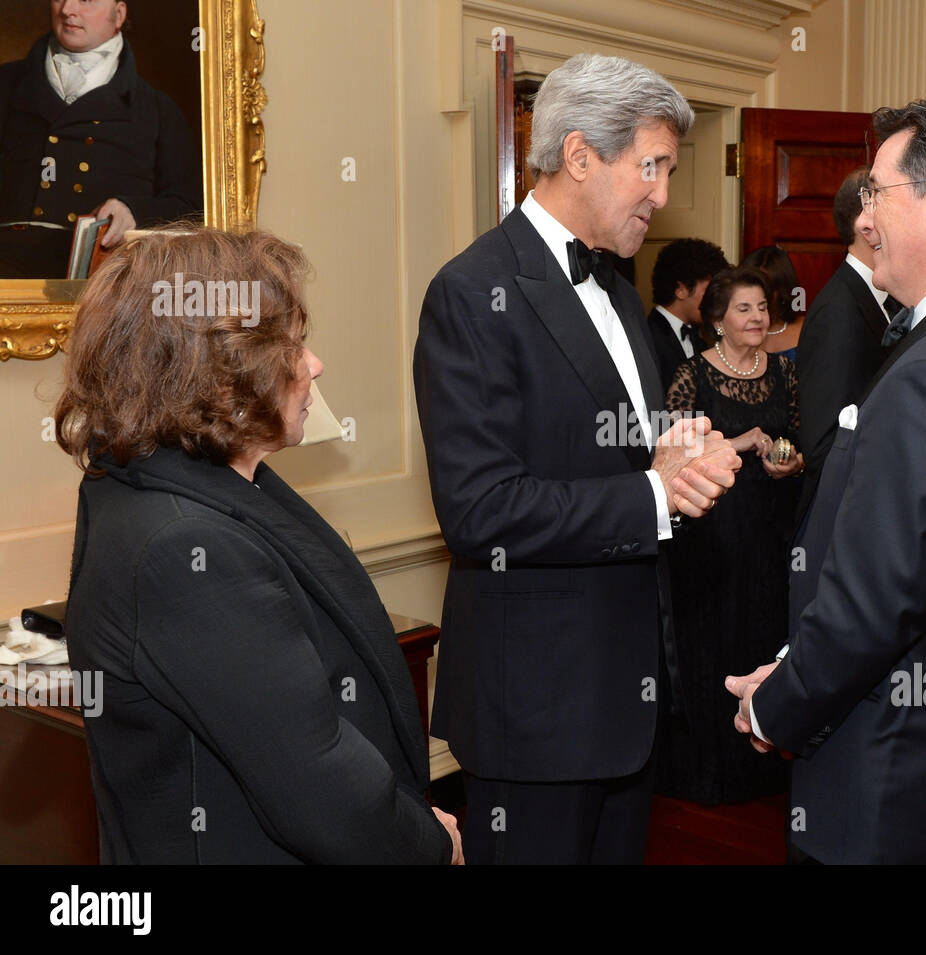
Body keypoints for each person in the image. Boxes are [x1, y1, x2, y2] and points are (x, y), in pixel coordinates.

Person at [412, 53, 740, 865]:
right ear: (582, 155)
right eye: (653, 166)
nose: (664, 193)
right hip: (537, 708)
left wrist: (674, 451)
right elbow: (480, 510)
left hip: (626, 699)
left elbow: (614, 453)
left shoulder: (621, 291)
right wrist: (655, 494)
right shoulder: (471, 291)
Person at [55, 228, 460, 864]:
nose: (314, 365)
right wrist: (428, 845)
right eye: (293, 345)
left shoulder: (164, 479)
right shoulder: (186, 549)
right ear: (219, 375)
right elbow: (313, 778)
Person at [726, 94, 926, 864]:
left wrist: (777, 705)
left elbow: (879, 605)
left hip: (897, 775)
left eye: (876, 191)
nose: (863, 218)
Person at [655, 267, 803, 804]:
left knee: (764, 633)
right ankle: (708, 771)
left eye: (762, 307)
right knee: (713, 640)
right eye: (744, 309)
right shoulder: (692, 373)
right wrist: (741, 442)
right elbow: (673, 456)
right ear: (717, 320)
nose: (757, 317)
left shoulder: (784, 372)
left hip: (768, 527)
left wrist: (791, 459)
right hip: (710, 530)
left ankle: (760, 763)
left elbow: (797, 438)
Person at [0, 0, 202, 277]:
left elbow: (192, 209)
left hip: (107, 286)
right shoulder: (5, 85)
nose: (68, 9)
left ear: (118, 15)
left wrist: (134, 210)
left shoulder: (157, 111)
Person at [795, 165, 899, 527]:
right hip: (843, 520)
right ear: (865, 227)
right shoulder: (837, 311)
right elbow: (824, 446)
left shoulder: (889, 299)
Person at [645, 237, 729, 392]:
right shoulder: (647, 338)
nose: (715, 300)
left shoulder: (700, 340)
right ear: (681, 290)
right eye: (708, 291)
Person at [742, 245, 803, 360]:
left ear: (783, 289)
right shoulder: (734, 329)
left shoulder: (806, 330)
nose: (758, 296)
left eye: (767, 288)